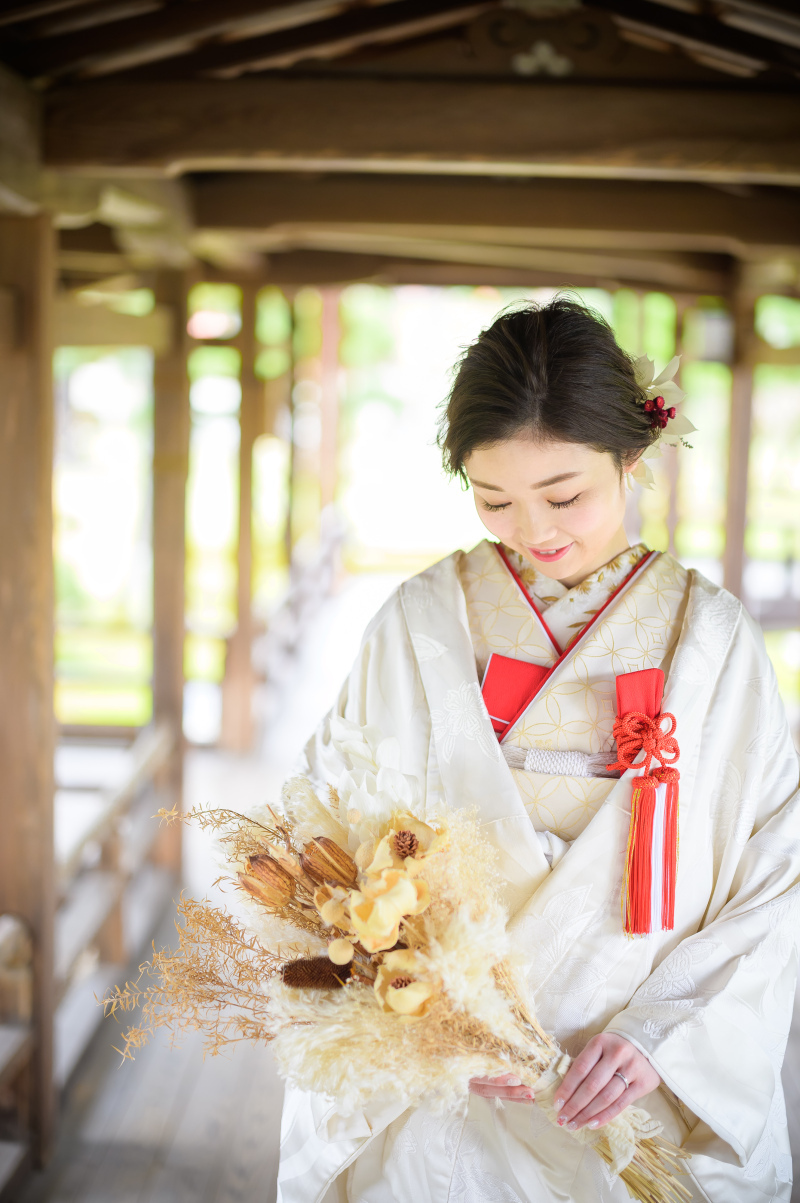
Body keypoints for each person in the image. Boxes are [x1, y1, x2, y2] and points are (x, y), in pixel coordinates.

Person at [276, 299, 800, 1203]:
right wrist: (420, 1023)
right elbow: (325, 831)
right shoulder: (420, 623)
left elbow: (774, 863)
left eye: (566, 496)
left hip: (623, 1076)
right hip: (443, 1081)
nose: (535, 530)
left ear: (633, 459)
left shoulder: (709, 640)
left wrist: (659, 1034)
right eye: (495, 501)